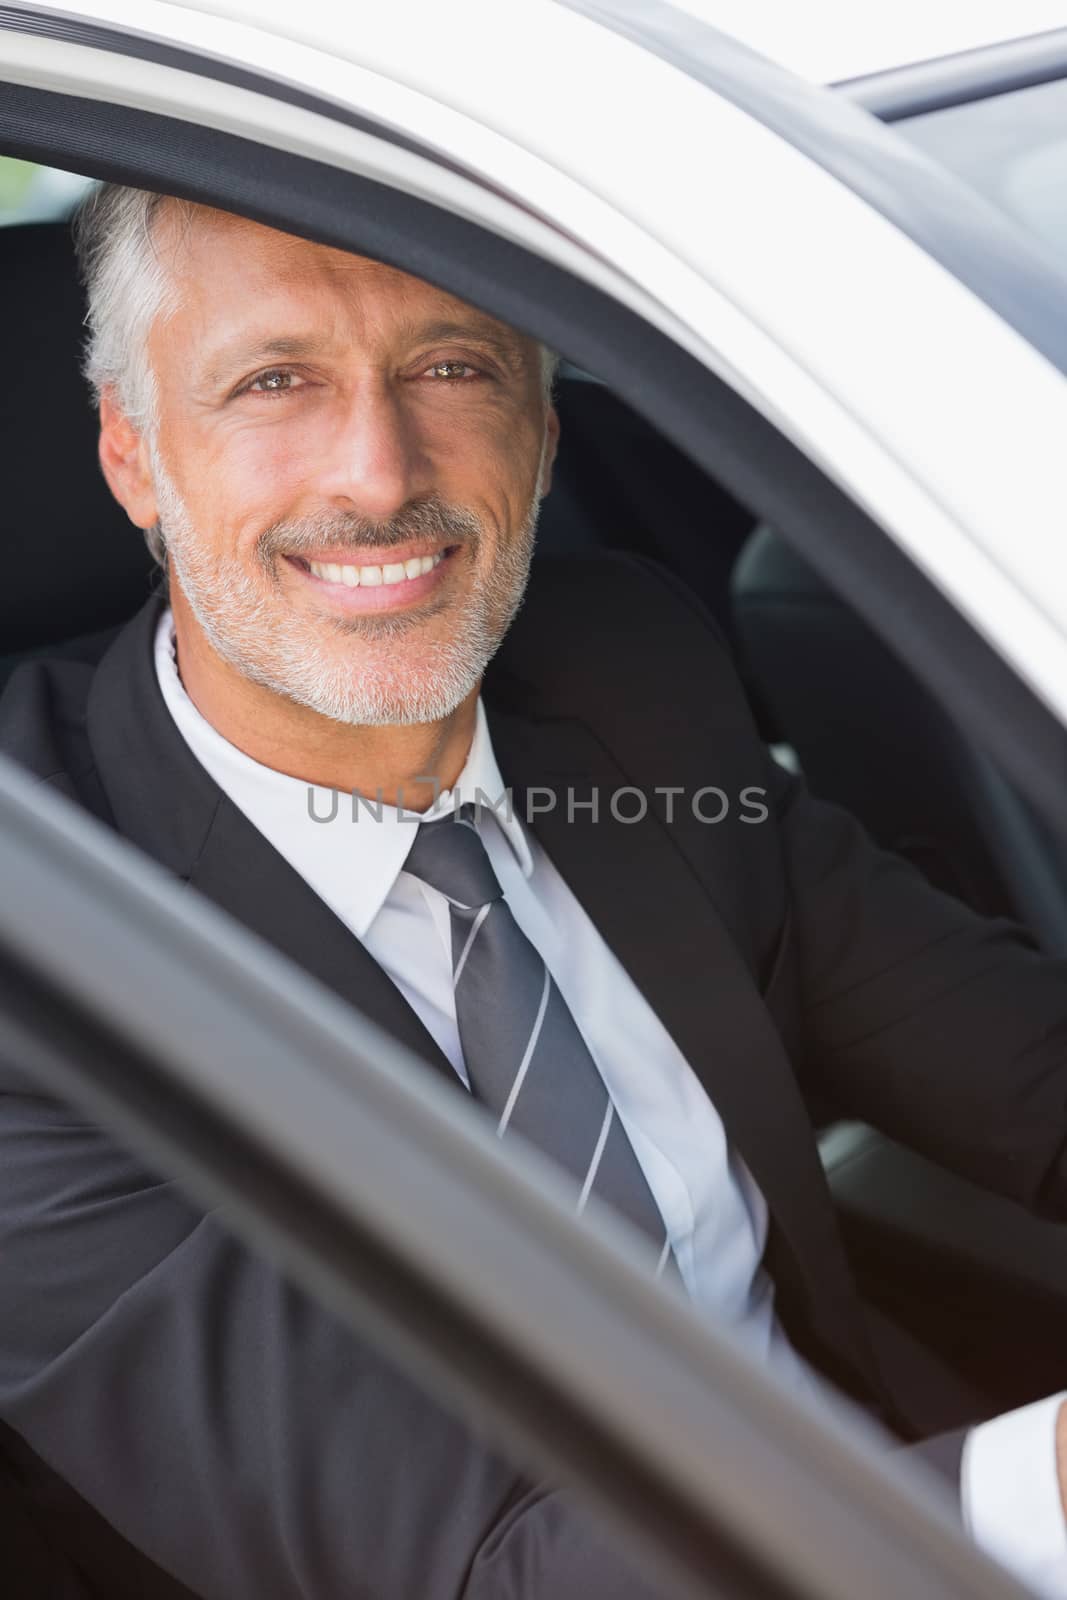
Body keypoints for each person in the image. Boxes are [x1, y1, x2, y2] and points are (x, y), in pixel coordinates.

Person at [1, 182, 1066, 1599]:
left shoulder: (627, 677)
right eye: (274, 381)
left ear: (543, 436)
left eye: (451, 367)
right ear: (133, 458)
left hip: (894, 1469)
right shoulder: (39, 945)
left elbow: (1028, 1064)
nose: (378, 475)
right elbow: (476, 1570)